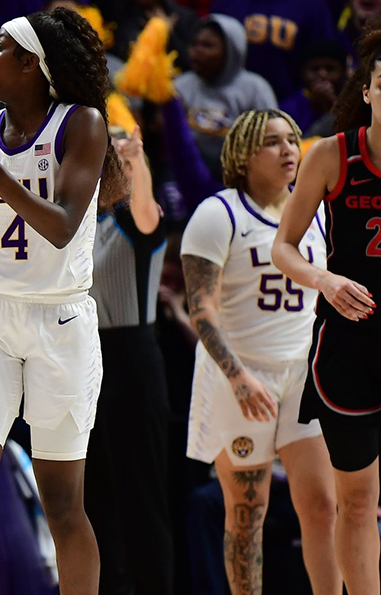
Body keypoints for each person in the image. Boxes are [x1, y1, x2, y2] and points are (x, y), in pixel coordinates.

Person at [0, 8, 128, 594]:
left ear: (34, 66)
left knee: (63, 502)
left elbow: (63, 226)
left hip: (58, 318)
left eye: (0, 51)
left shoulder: (81, 124)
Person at [183, 109, 340, 595]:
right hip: (240, 375)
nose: (290, 149)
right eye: (273, 142)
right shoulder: (218, 213)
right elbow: (202, 311)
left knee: (321, 507)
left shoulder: (314, 210)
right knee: (247, 514)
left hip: (302, 375)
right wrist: (237, 377)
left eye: (293, 139)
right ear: (244, 155)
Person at [271, 24, 381, 594]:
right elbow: (282, 247)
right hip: (348, 346)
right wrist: (326, 279)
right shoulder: (330, 156)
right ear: (367, 91)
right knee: (357, 502)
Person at [83, 125, 172, 595]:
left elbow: (146, 210)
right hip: (80, 364)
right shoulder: (74, 222)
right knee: (91, 501)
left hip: (132, 362)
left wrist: (138, 162)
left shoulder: (136, 216)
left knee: (141, 499)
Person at [175, 15, 278, 182]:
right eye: (194, 44)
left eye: (208, 46)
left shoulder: (256, 89)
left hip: (240, 175)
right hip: (186, 174)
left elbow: (270, 140)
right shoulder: (179, 85)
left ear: (231, 50)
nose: (197, 51)